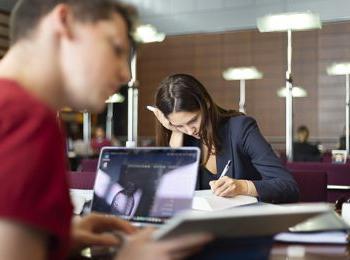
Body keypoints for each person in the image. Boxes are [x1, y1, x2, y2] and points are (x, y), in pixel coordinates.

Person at [0, 1, 211, 259]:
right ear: (64, 22)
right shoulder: (25, 120)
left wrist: (59, 240)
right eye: (116, 49)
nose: (125, 74)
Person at [149, 74, 299, 204]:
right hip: (201, 230)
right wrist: (175, 134)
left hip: (243, 225)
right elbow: (170, 198)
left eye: (193, 120)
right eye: (180, 125)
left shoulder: (240, 129)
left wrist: (243, 187)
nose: (189, 130)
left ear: (206, 103)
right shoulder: (185, 139)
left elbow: (288, 187)